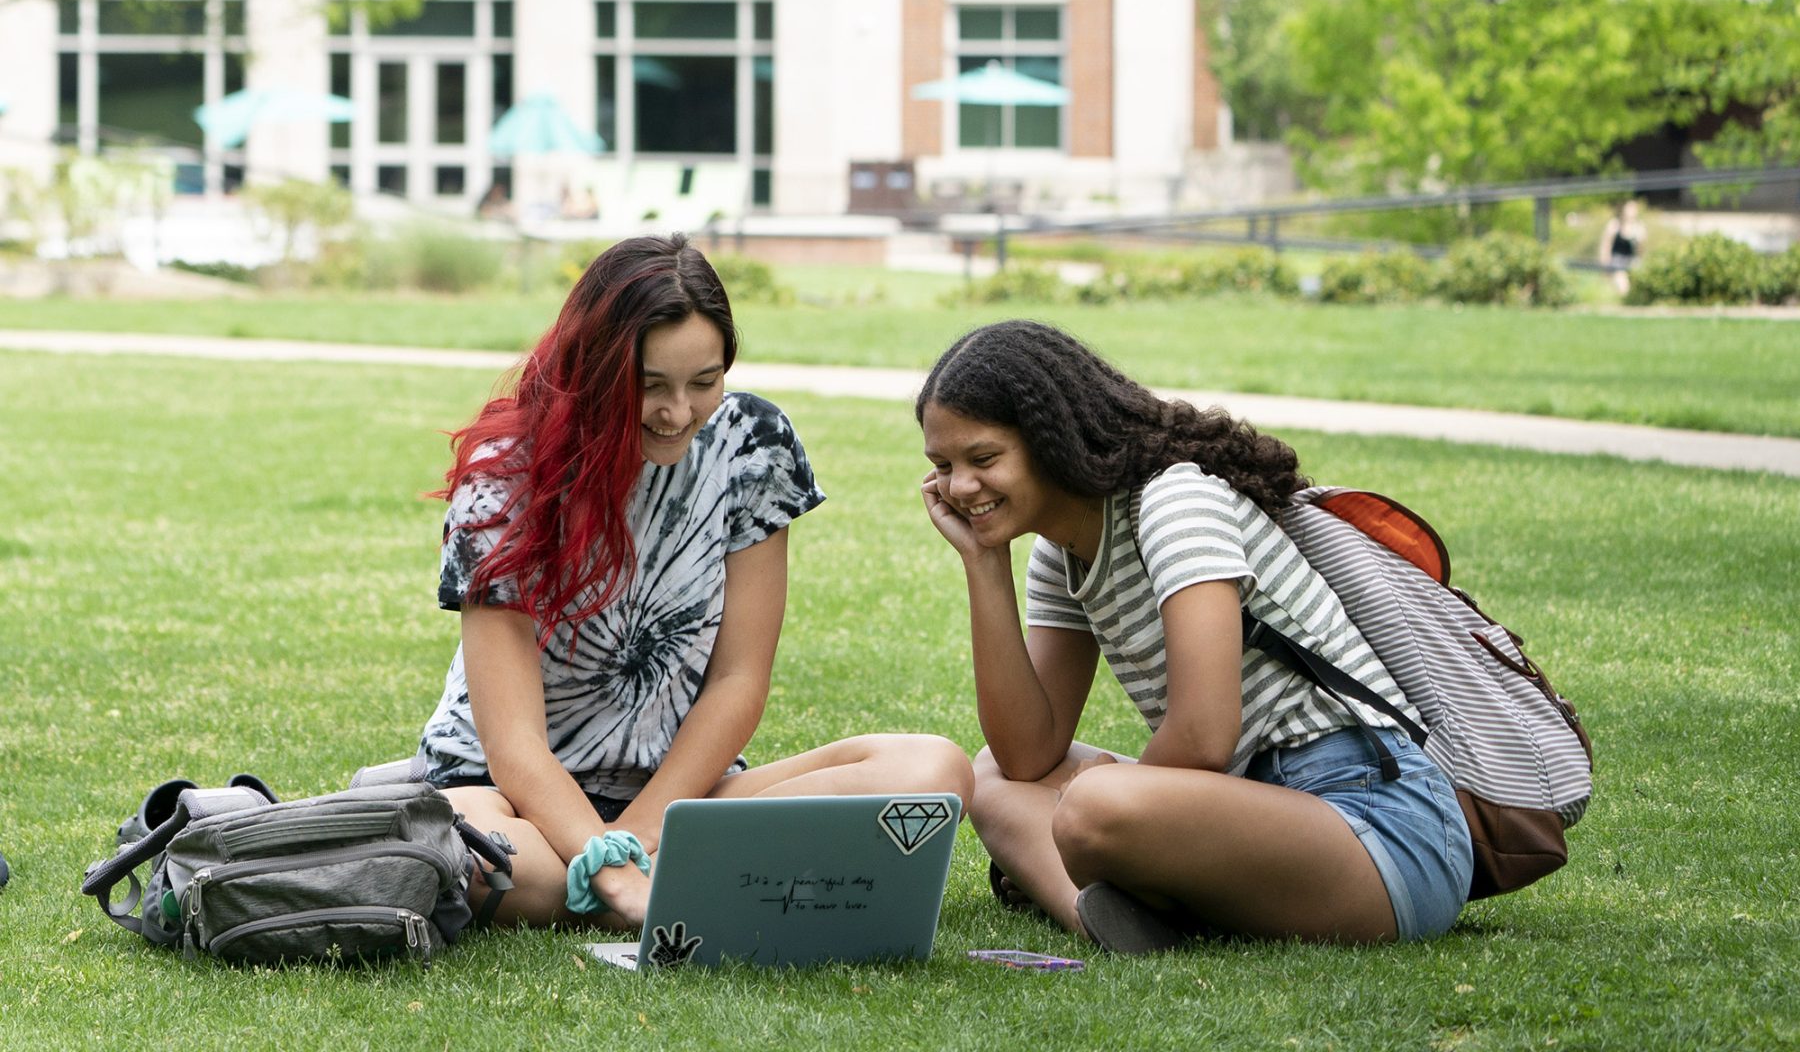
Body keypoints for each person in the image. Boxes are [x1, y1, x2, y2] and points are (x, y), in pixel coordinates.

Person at [419, 234, 971, 928]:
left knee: (932, 771)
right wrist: (610, 867)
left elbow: (739, 679)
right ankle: (698, 876)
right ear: (593, 369)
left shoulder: (753, 444)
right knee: (471, 849)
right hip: (510, 798)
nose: (678, 413)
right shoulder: (504, 474)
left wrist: (637, 840)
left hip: (682, 800)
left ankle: (650, 875)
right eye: (649, 386)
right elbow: (513, 747)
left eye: (704, 382)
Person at [916, 320, 1471, 954]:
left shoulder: (1174, 501)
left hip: (1379, 826)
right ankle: (1109, 918)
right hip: (1247, 811)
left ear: (1050, 439)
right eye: (943, 466)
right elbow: (1026, 757)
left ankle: (1129, 891)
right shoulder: (1059, 554)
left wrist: (1095, 800)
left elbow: (1205, 736)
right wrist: (983, 564)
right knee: (991, 777)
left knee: (1094, 805)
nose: (960, 487)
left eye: (983, 459)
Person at [1598, 199, 1646, 297]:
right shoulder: (1614, 225)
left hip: (1631, 262)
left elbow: (1640, 252)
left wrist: (1640, 241)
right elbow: (1605, 246)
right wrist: (1604, 265)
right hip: (1616, 262)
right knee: (1623, 286)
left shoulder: (1639, 227)